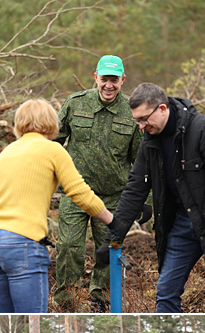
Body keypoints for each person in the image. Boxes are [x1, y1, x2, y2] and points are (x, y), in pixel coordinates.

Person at [98, 81, 205, 313]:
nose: (141, 127)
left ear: (162, 109)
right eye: (137, 121)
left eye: (144, 119)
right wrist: (113, 236)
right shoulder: (150, 142)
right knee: (165, 293)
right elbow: (135, 188)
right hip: (181, 224)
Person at [0, 98, 114, 313]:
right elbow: (78, 191)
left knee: (10, 320)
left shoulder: (6, 152)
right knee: (33, 321)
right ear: (52, 123)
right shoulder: (52, 150)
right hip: (22, 243)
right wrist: (111, 220)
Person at [54, 53, 142, 309]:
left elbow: (143, 161)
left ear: (123, 80)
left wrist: (145, 200)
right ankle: (67, 299)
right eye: (104, 79)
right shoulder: (74, 104)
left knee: (110, 250)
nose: (108, 85)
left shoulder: (132, 112)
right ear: (95, 77)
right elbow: (52, 144)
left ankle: (101, 300)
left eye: (114, 80)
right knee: (69, 247)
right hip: (75, 192)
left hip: (113, 197)